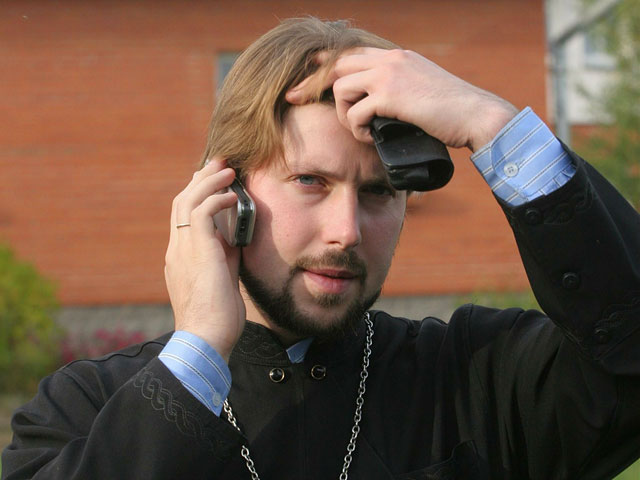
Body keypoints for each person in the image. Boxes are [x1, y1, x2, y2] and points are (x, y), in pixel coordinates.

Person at [3, 17, 640, 480]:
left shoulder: (473, 378)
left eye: (379, 192)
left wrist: (493, 124)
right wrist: (199, 349)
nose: (347, 231)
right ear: (226, 195)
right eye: (310, 181)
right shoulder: (84, 407)